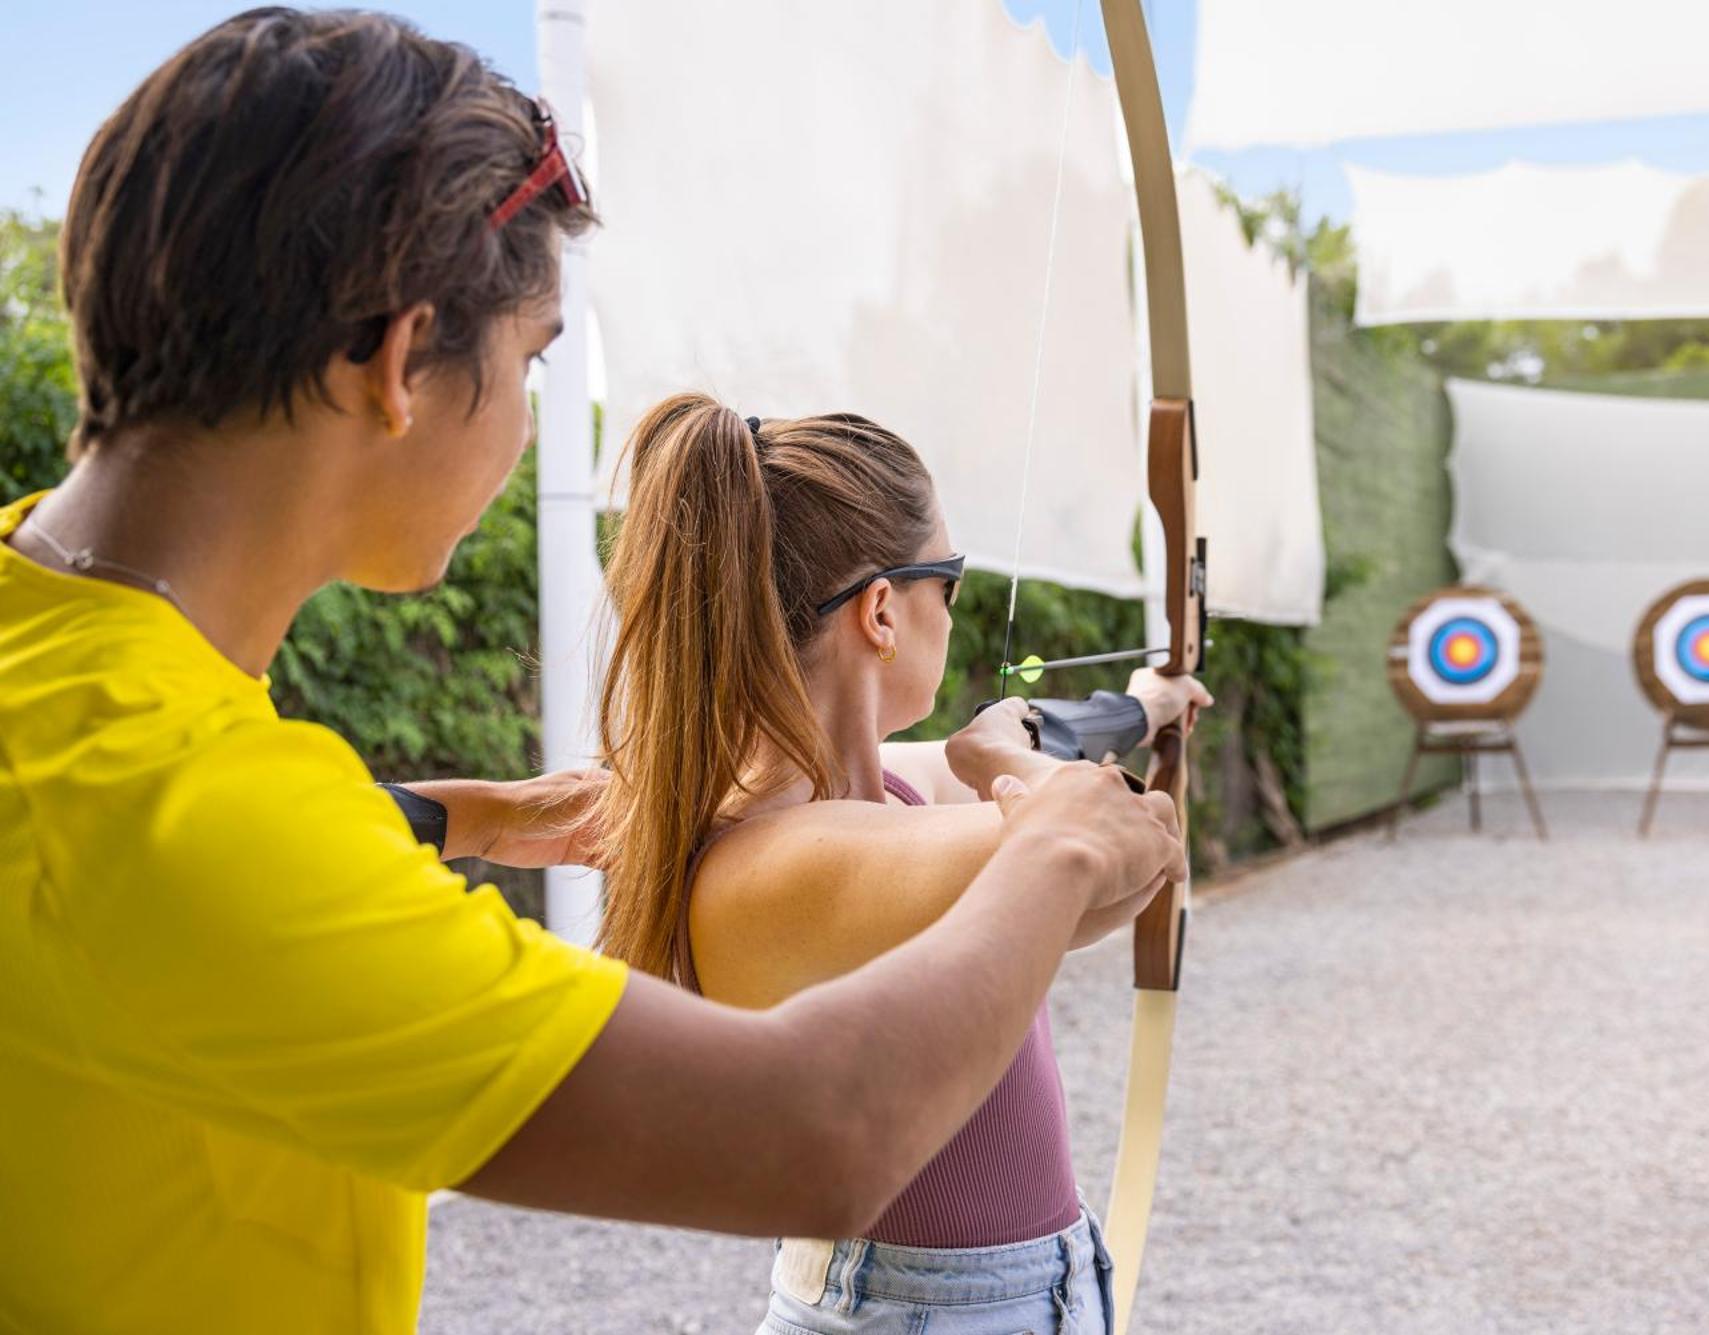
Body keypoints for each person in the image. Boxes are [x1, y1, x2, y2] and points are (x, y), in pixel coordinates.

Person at [0, 11, 1185, 1334]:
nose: (524, 418)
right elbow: (820, 1128)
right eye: (532, 357)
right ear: (405, 362)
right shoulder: (192, 813)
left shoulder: (69, 664)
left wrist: (459, 813)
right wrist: (1067, 846)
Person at [589, 395, 1211, 1335]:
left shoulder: (862, 800)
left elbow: (1051, 760)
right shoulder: (794, 857)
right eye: (950, 584)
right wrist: (1002, 756)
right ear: (882, 609)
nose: (956, 614)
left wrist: (1145, 706)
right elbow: (1127, 839)